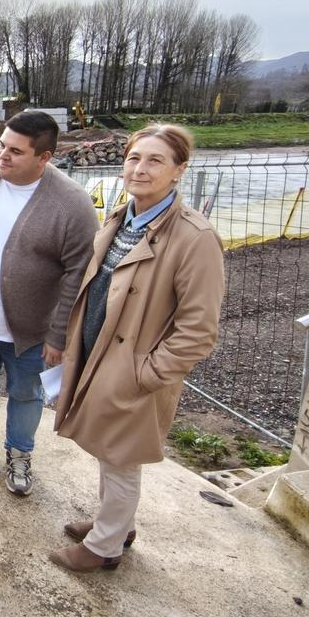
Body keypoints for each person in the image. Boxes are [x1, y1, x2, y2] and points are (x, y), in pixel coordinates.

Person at [51, 124, 224, 572]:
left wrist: (145, 374)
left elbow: (198, 329)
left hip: (130, 366)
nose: (140, 169)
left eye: (155, 161)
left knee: (120, 456)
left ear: (179, 171)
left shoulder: (194, 238)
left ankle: (104, 547)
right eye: (133, 158)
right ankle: (116, 522)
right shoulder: (122, 216)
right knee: (110, 450)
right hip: (98, 352)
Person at [0, 110, 97, 495]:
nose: (1, 157)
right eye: (0, 146)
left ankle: (20, 453)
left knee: (26, 394)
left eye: (15, 152)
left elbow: (80, 274)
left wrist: (59, 336)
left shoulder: (72, 205)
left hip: (32, 332)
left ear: (44, 157)